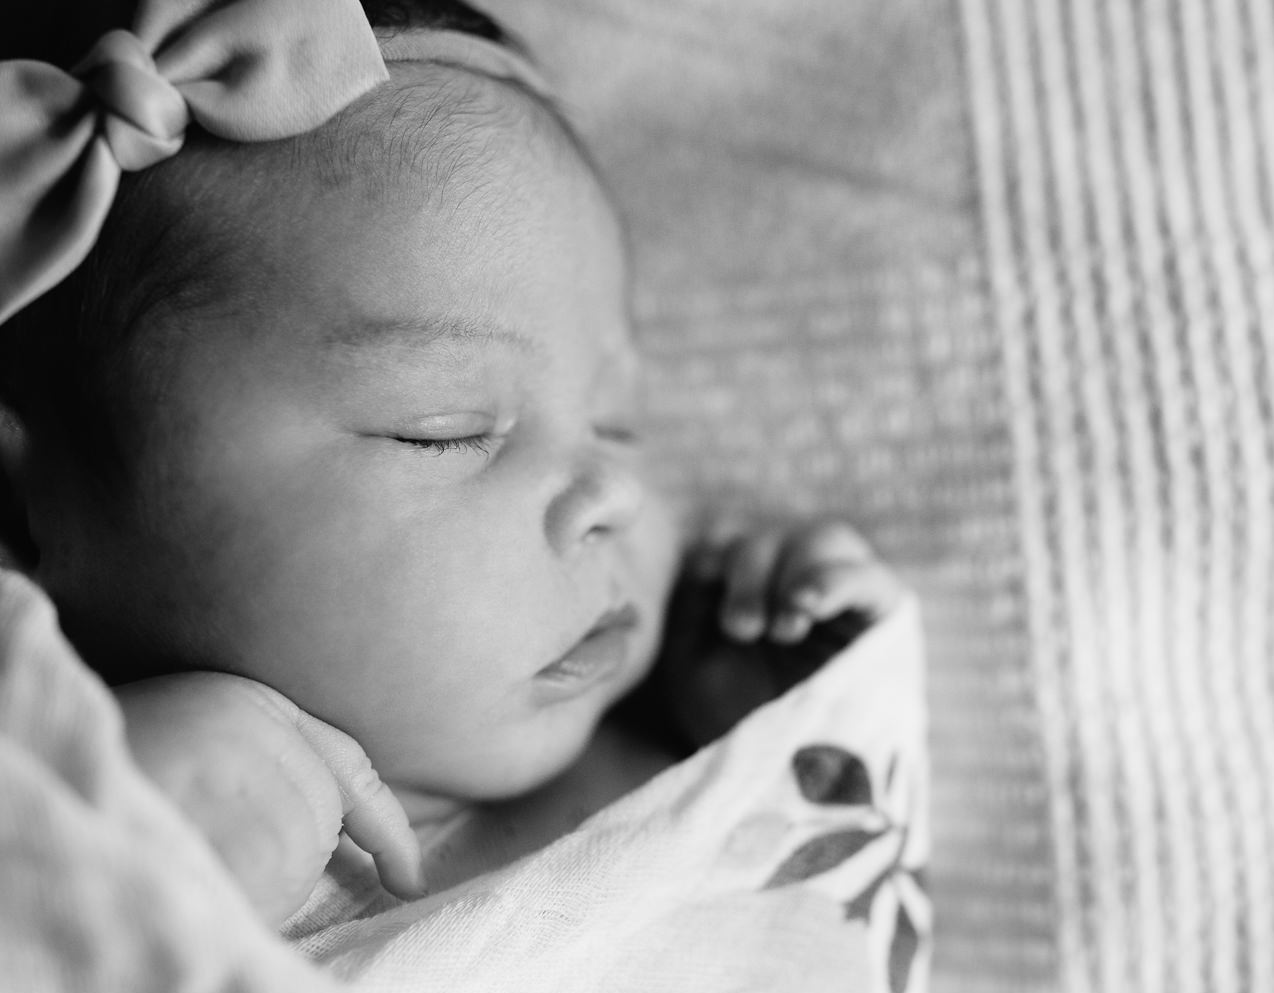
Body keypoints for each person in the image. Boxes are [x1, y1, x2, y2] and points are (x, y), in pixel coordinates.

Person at [0, 0, 906, 924]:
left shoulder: (676, 737)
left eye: (616, 421)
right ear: (20, 507)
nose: (615, 492)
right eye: (443, 428)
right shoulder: (92, 835)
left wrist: (802, 716)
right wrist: (93, 847)